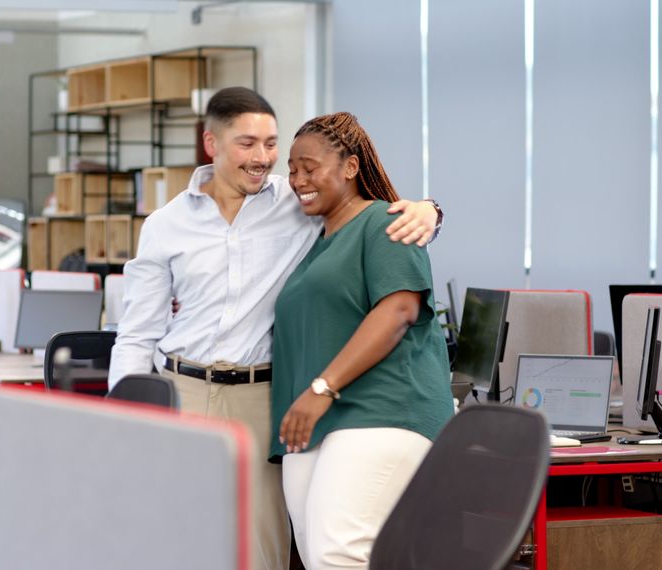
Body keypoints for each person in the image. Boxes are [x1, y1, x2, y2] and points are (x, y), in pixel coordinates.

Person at [107, 87, 441, 570]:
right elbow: (137, 333)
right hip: (184, 388)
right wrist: (123, 414)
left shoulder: (299, 200)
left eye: (270, 144)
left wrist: (428, 209)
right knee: (176, 539)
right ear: (212, 144)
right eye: (247, 143)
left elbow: (376, 216)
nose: (263, 158)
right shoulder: (165, 224)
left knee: (266, 549)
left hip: (261, 395)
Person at [271, 112, 454, 569]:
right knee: (318, 557)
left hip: (382, 413)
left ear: (351, 167)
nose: (298, 180)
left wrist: (322, 388)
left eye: (309, 167)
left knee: (339, 553)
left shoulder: (386, 223)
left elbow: (398, 311)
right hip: (314, 424)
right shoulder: (315, 240)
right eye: (292, 169)